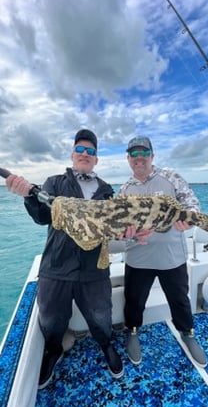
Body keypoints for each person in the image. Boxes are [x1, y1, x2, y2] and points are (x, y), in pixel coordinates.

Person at [6, 129, 129, 389]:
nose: (85, 154)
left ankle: (106, 344)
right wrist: (28, 196)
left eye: (91, 151)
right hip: (56, 267)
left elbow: (114, 227)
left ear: (96, 159)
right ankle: (54, 350)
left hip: (95, 269)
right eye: (80, 150)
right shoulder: (54, 183)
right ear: (73, 155)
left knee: (100, 315)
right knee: (51, 318)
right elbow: (41, 217)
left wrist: (130, 232)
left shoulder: (107, 192)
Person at [118, 135, 208, 368]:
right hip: (138, 258)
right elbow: (118, 227)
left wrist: (189, 221)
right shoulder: (124, 190)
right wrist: (126, 232)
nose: (139, 158)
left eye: (144, 153)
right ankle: (132, 331)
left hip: (172, 257)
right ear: (128, 159)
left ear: (152, 155)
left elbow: (193, 205)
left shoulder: (171, 177)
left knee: (180, 300)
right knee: (134, 301)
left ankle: (187, 334)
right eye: (134, 154)